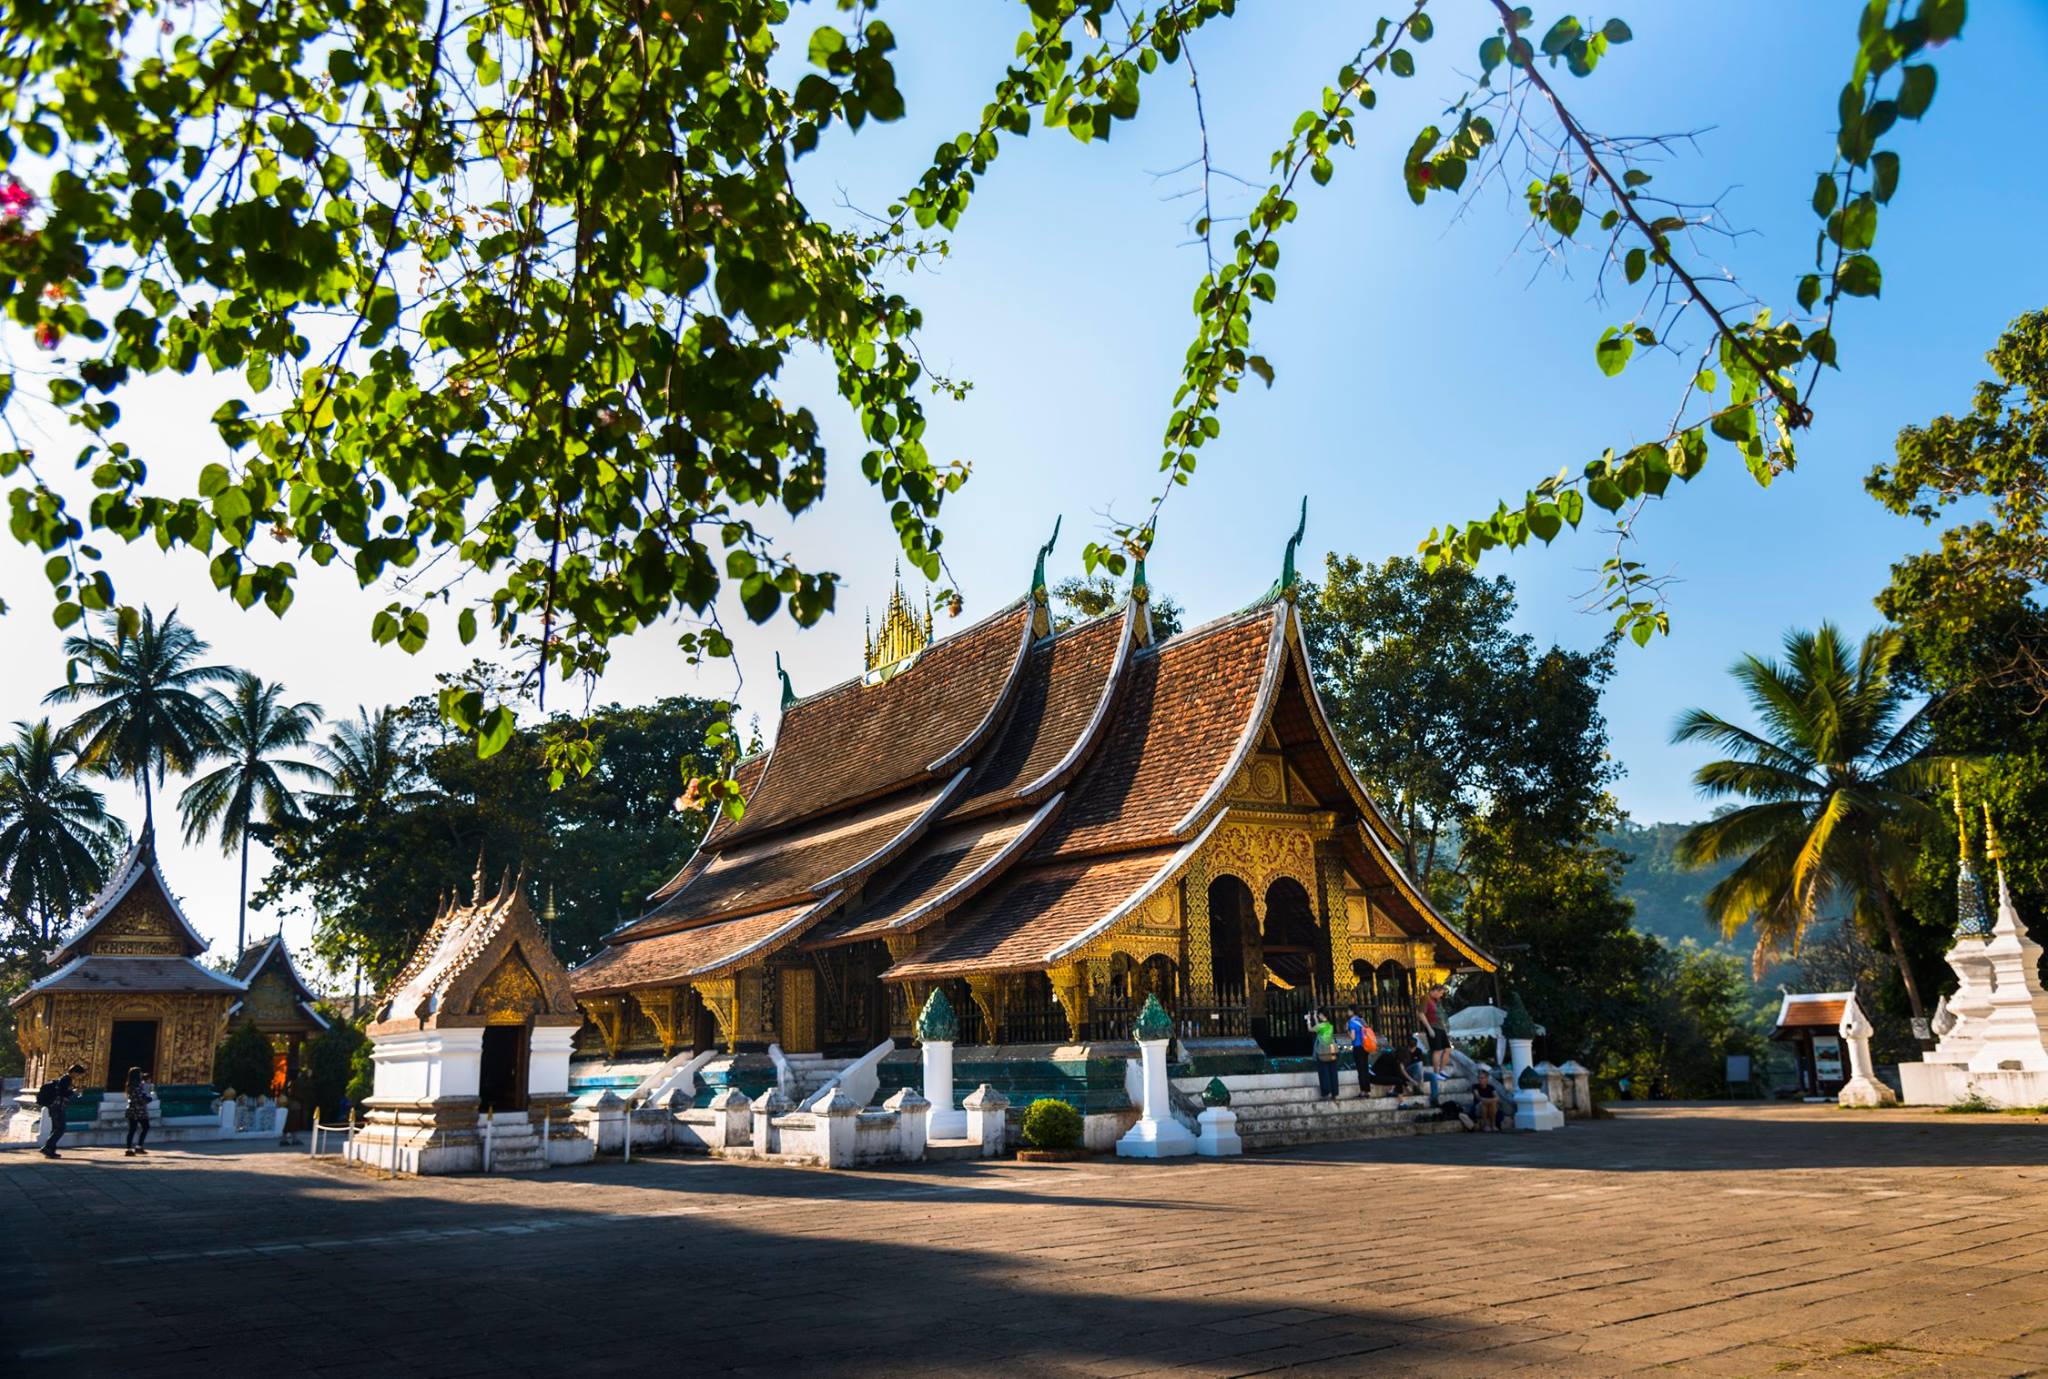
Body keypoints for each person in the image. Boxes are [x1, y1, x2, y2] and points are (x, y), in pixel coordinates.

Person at [36, 1062, 87, 1158]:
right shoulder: (66, 1080)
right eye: (79, 1074)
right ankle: (47, 1147)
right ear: (75, 1072)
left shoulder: (64, 1079)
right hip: (58, 1107)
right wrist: (73, 1091)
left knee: (56, 1128)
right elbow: (62, 1093)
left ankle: (51, 1150)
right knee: (60, 1128)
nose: (79, 1077)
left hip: (54, 1107)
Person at [1420, 983, 1452, 1078]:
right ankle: (1436, 1072)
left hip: (1440, 1027)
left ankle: (1441, 1070)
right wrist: (1429, 1028)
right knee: (1437, 1050)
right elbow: (1421, 1014)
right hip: (1433, 1026)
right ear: (1435, 991)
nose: (1441, 995)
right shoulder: (1425, 998)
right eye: (1440, 993)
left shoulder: (1436, 1001)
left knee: (1448, 1049)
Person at [1345, 1005, 1378, 1096]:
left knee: (1360, 1070)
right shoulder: (1361, 1020)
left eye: (1348, 1010)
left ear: (1352, 1011)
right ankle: (1367, 1090)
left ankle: (1363, 1091)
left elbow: (1353, 1037)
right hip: (1365, 1047)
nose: (1347, 1012)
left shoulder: (1351, 1022)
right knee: (1365, 1068)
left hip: (1358, 1048)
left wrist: (1347, 1030)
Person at [123, 1066, 155, 1156]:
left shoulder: (130, 1084)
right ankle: (136, 1147)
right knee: (144, 1127)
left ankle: (132, 1148)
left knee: (133, 1129)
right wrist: (148, 1099)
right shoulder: (136, 1085)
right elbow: (140, 1098)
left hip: (132, 1109)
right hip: (138, 1110)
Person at [1310, 1010, 1339, 1100]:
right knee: (1333, 1072)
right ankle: (1334, 1093)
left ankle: (1326, 1093)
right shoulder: (1330, 1025)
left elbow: (1310, 1029)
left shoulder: (1321, 1026)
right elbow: (1319, 1027)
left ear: (1323, 1015)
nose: (1319, 1016)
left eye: (1319, 1015)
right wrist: (1315, 1017)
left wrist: (1308, 1021)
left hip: (1322, 1052)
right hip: (1332, 1051)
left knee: (1323, 1073)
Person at [1469, 1067, 1502, 1132]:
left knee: (1492, 1103)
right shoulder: (1475, 1086)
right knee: (1484, 1103)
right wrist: (1490, 1100)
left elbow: (1497, 1097)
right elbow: (1478, 1097)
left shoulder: (1491, 1087)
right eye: (1479, 1078)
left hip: (1490, 1106)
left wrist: (1488, 1100)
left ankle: (1493, 1125)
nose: (1480, 1079)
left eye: (1482, 1078)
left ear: (1487, 1079)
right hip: (1478, 1107)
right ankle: (1485, 1125)